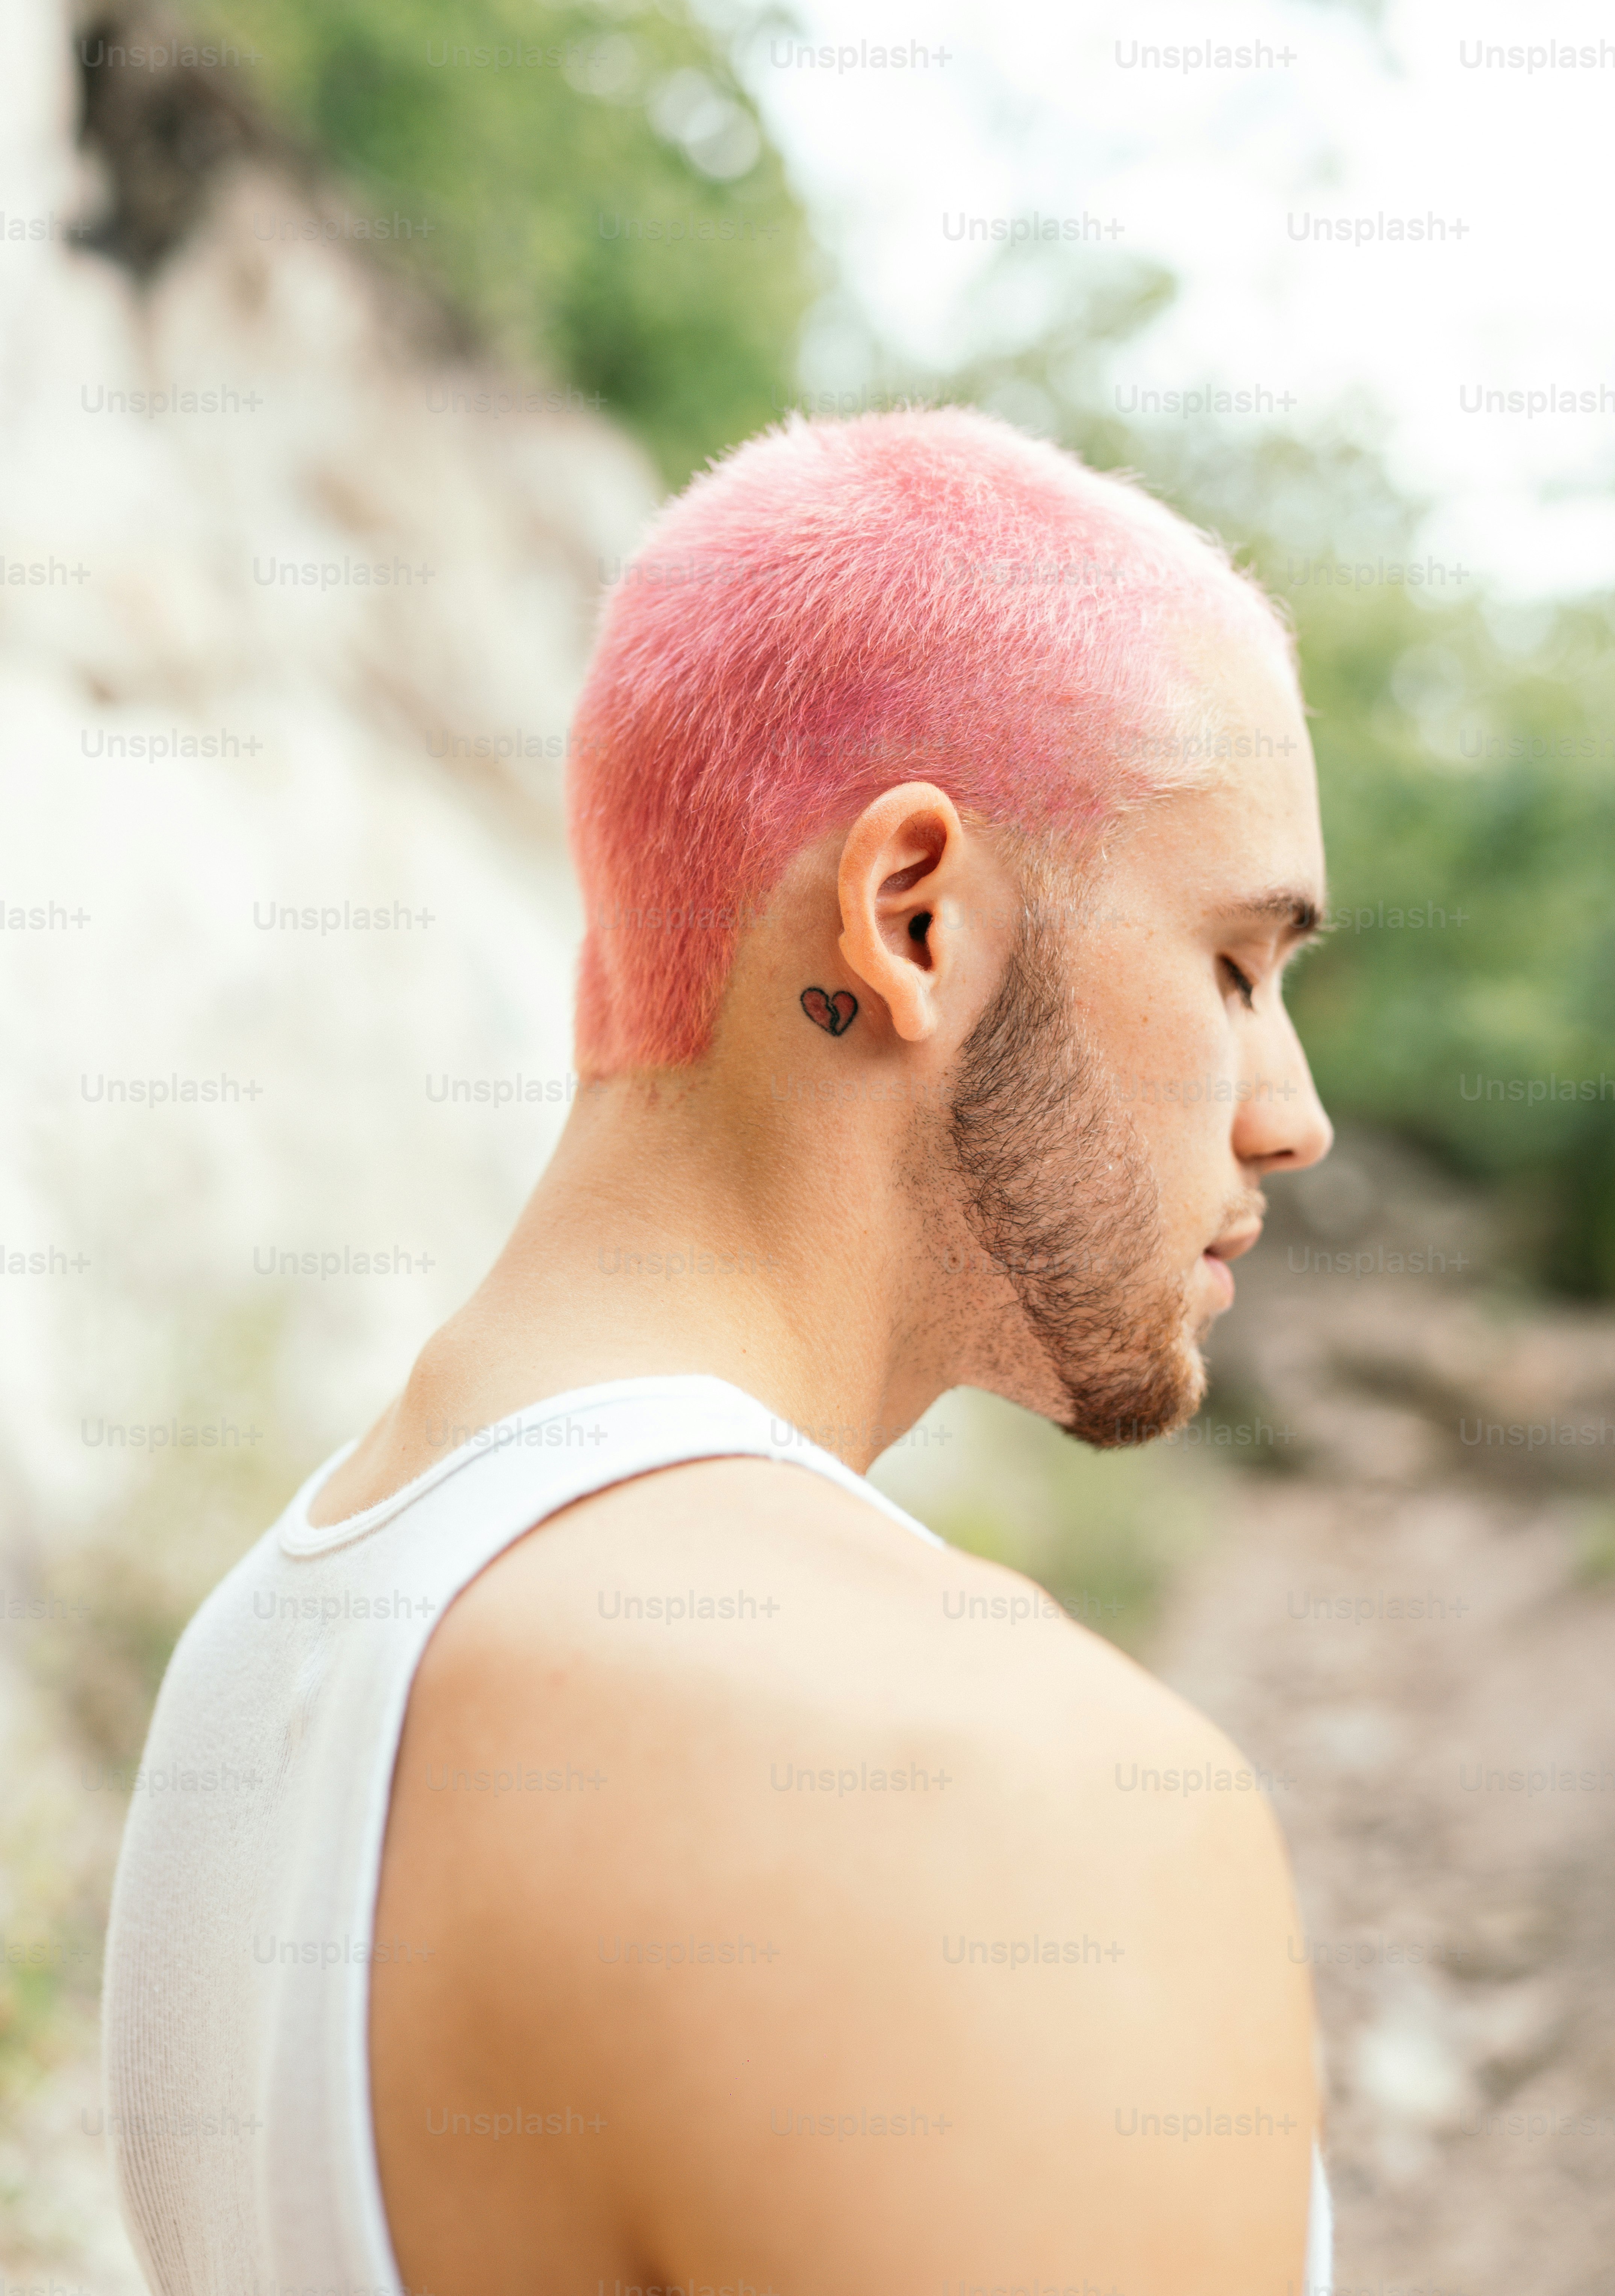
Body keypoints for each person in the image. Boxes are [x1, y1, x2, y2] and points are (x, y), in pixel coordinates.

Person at [103, 407, 1335, 2296]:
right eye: (1237, 968)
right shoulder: (981, 1789)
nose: (1290, 1114)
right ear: (911, 919)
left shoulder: (263, 1658)